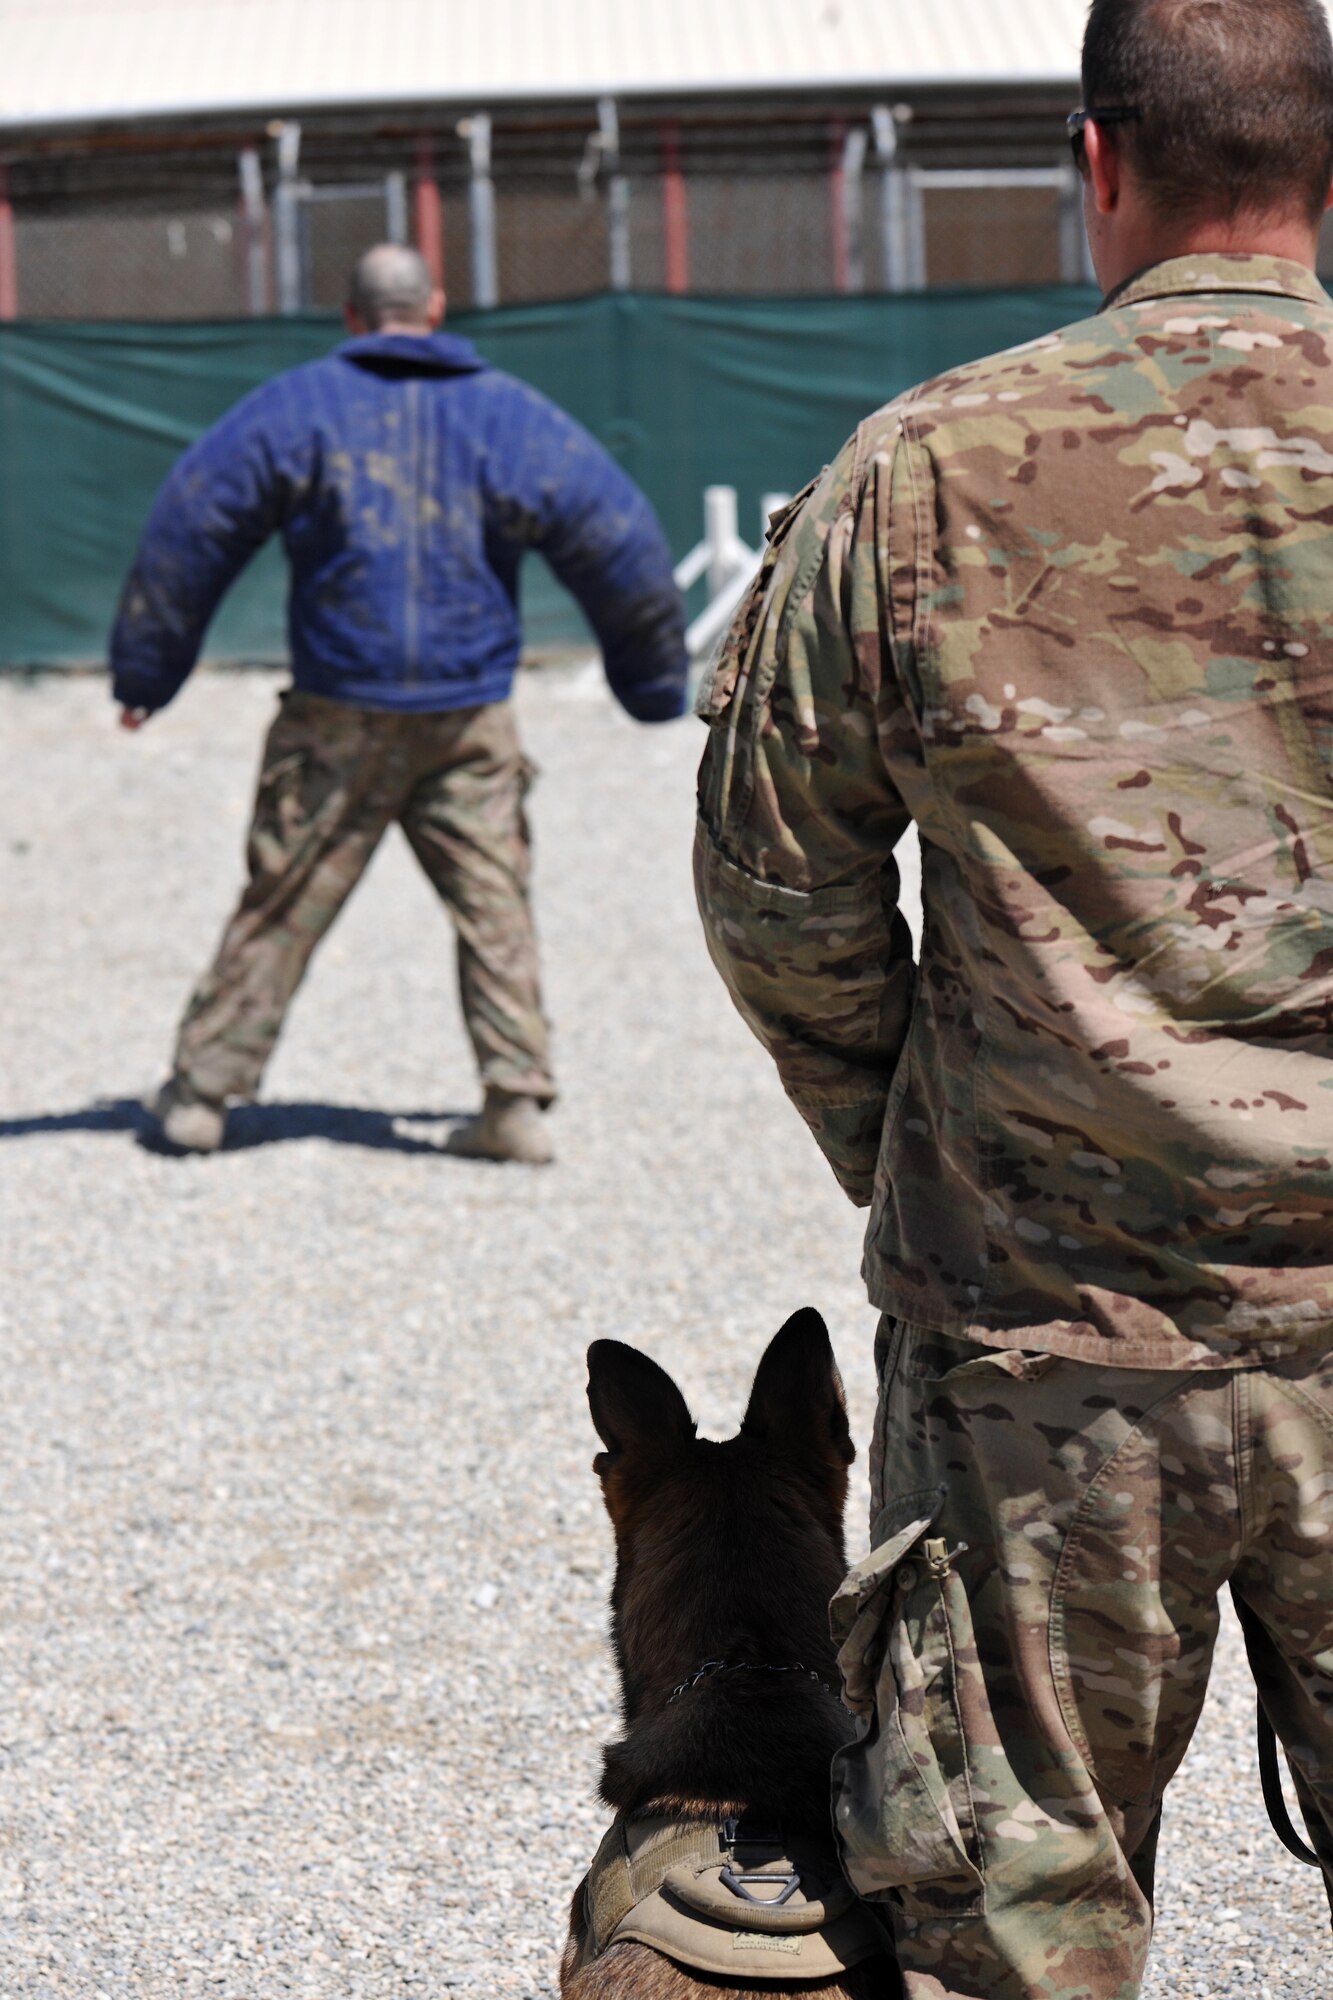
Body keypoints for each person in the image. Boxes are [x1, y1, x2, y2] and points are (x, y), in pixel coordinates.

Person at [693, 0, 1333, 1992]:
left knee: (1008, 1929)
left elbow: (772, 873)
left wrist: (924, 1133)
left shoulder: (926, 474)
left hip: (1041, 1346)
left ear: (1095, 164)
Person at [112, 243, 687, 1160]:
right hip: (468, 717)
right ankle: (515, 1102)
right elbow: (617, 538)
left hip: (335, 711)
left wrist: (148, 675)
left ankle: (201, 1095)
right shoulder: (507, 415)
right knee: (493, 901)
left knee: (283, 896)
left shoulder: (297, 409)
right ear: (437, 307)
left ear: (351, 315)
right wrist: (652, 685)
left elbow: (192, 524)